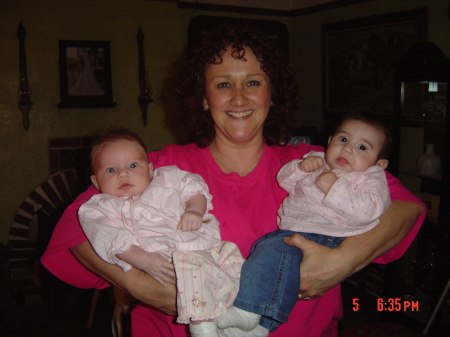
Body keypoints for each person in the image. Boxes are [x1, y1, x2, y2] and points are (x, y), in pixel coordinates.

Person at [42, 21, 425, 337]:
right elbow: (73, 230)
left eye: (253, 83)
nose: (239, 99)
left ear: (272, 95)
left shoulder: (317, 164)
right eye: (223, 84)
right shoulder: (155, 170)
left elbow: (407, 207)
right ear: (204, 98)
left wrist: (341, 263)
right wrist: (143, 287)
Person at [216, 112, 393, 335]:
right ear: (330, 141)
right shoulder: (317, 160)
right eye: (344, 139)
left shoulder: (369, 177)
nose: (348, 149)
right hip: (296, 230)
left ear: (379, 163)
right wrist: (301, 168)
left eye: (362, 148)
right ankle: (261, 326)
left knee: (272, 253)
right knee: (265, 255)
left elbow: (368, 210)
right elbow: (285, 181)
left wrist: (335, 188)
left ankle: (248, 313)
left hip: (325, 234)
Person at [78, 129, 244, 337]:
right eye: (111, 170)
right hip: (167, 257)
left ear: (149, 169)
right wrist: (145, 260)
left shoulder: (166, 178)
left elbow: (194, 189)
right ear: (95, 182)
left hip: (206, 245)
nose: (123, 174)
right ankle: (203, 326)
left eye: (132, 165)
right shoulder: (100, 208)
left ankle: (238, 314)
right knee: (190, 273)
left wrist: (194, 210)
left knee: (233, 256)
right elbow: (111, 241)